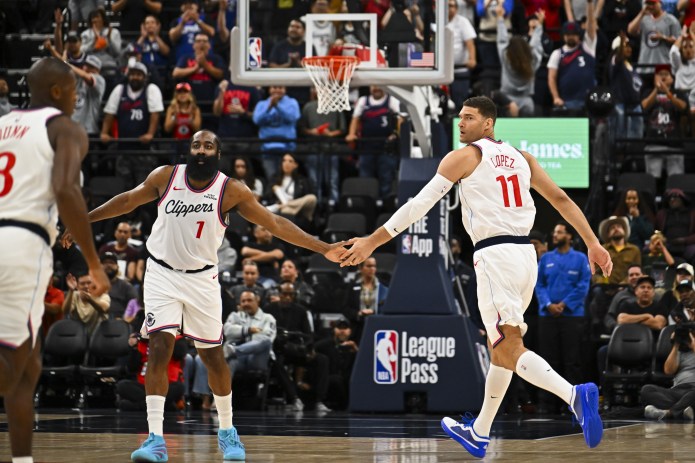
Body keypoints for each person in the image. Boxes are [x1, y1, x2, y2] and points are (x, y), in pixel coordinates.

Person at [338, 96, 613, 458]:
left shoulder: (463, 156)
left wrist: (373, 241)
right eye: (459, 118)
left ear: (488, 123)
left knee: (510, 347)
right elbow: (560, 199)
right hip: (526, 256)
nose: (461, 123)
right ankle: (480, 432)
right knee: (500, 347)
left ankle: (573, 395)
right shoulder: (522, 157)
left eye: (469, 117)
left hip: (495, 255)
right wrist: (592, 242)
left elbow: (419, 204)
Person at [64, 129, 345, 461]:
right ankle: (155, 439)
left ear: (218, 153)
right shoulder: (166, 177)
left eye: (208, 145)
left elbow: (275, 223)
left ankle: (227, 431)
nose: (200, 150)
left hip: (202, 280)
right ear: (189, 149)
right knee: (158, 348)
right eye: (196, 144)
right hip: (162, 274)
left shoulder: (231, 191)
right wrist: (84, 219)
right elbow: (126, 200)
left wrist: (324, 247)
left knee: (213, 356)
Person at [0, 57, 109, 463]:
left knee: (29, 365)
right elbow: (65, 189)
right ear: (60, 91)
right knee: (11, 364)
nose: (78, 99)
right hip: (21, 243)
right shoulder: (64, 128)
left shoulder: (2, 125)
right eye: (76, 91)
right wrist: (95, 264)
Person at [534, 221, 591, 413]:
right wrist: (548, 304)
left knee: (571, 360)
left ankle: (571, 403)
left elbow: (583, 285)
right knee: (547, 360)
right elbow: (539, 284)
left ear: (569, 236)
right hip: (547, 315)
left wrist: (564, 304)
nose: (555, 235)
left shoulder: (581, 258)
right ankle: (547, 403)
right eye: (554, 232)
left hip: (572, 315)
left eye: (559, 232)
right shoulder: (546, 258)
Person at [641, 323, 695, 421]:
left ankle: (668, 413)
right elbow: (668, 371)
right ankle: (682, 410)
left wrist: (693, 344)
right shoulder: (681, 350)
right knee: (647, 389)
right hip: (677, 390)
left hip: (693, 389)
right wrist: (676, 344)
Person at [63, 271, 111, 336]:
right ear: (77, 286)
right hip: (77, 337)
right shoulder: (74, 295)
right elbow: (65, 311)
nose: (86, 286)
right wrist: (71, 290)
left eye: (89, 282)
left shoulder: (102, 295)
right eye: (82, 283)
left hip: (99, 337)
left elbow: (104, 308)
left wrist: (90, 299)